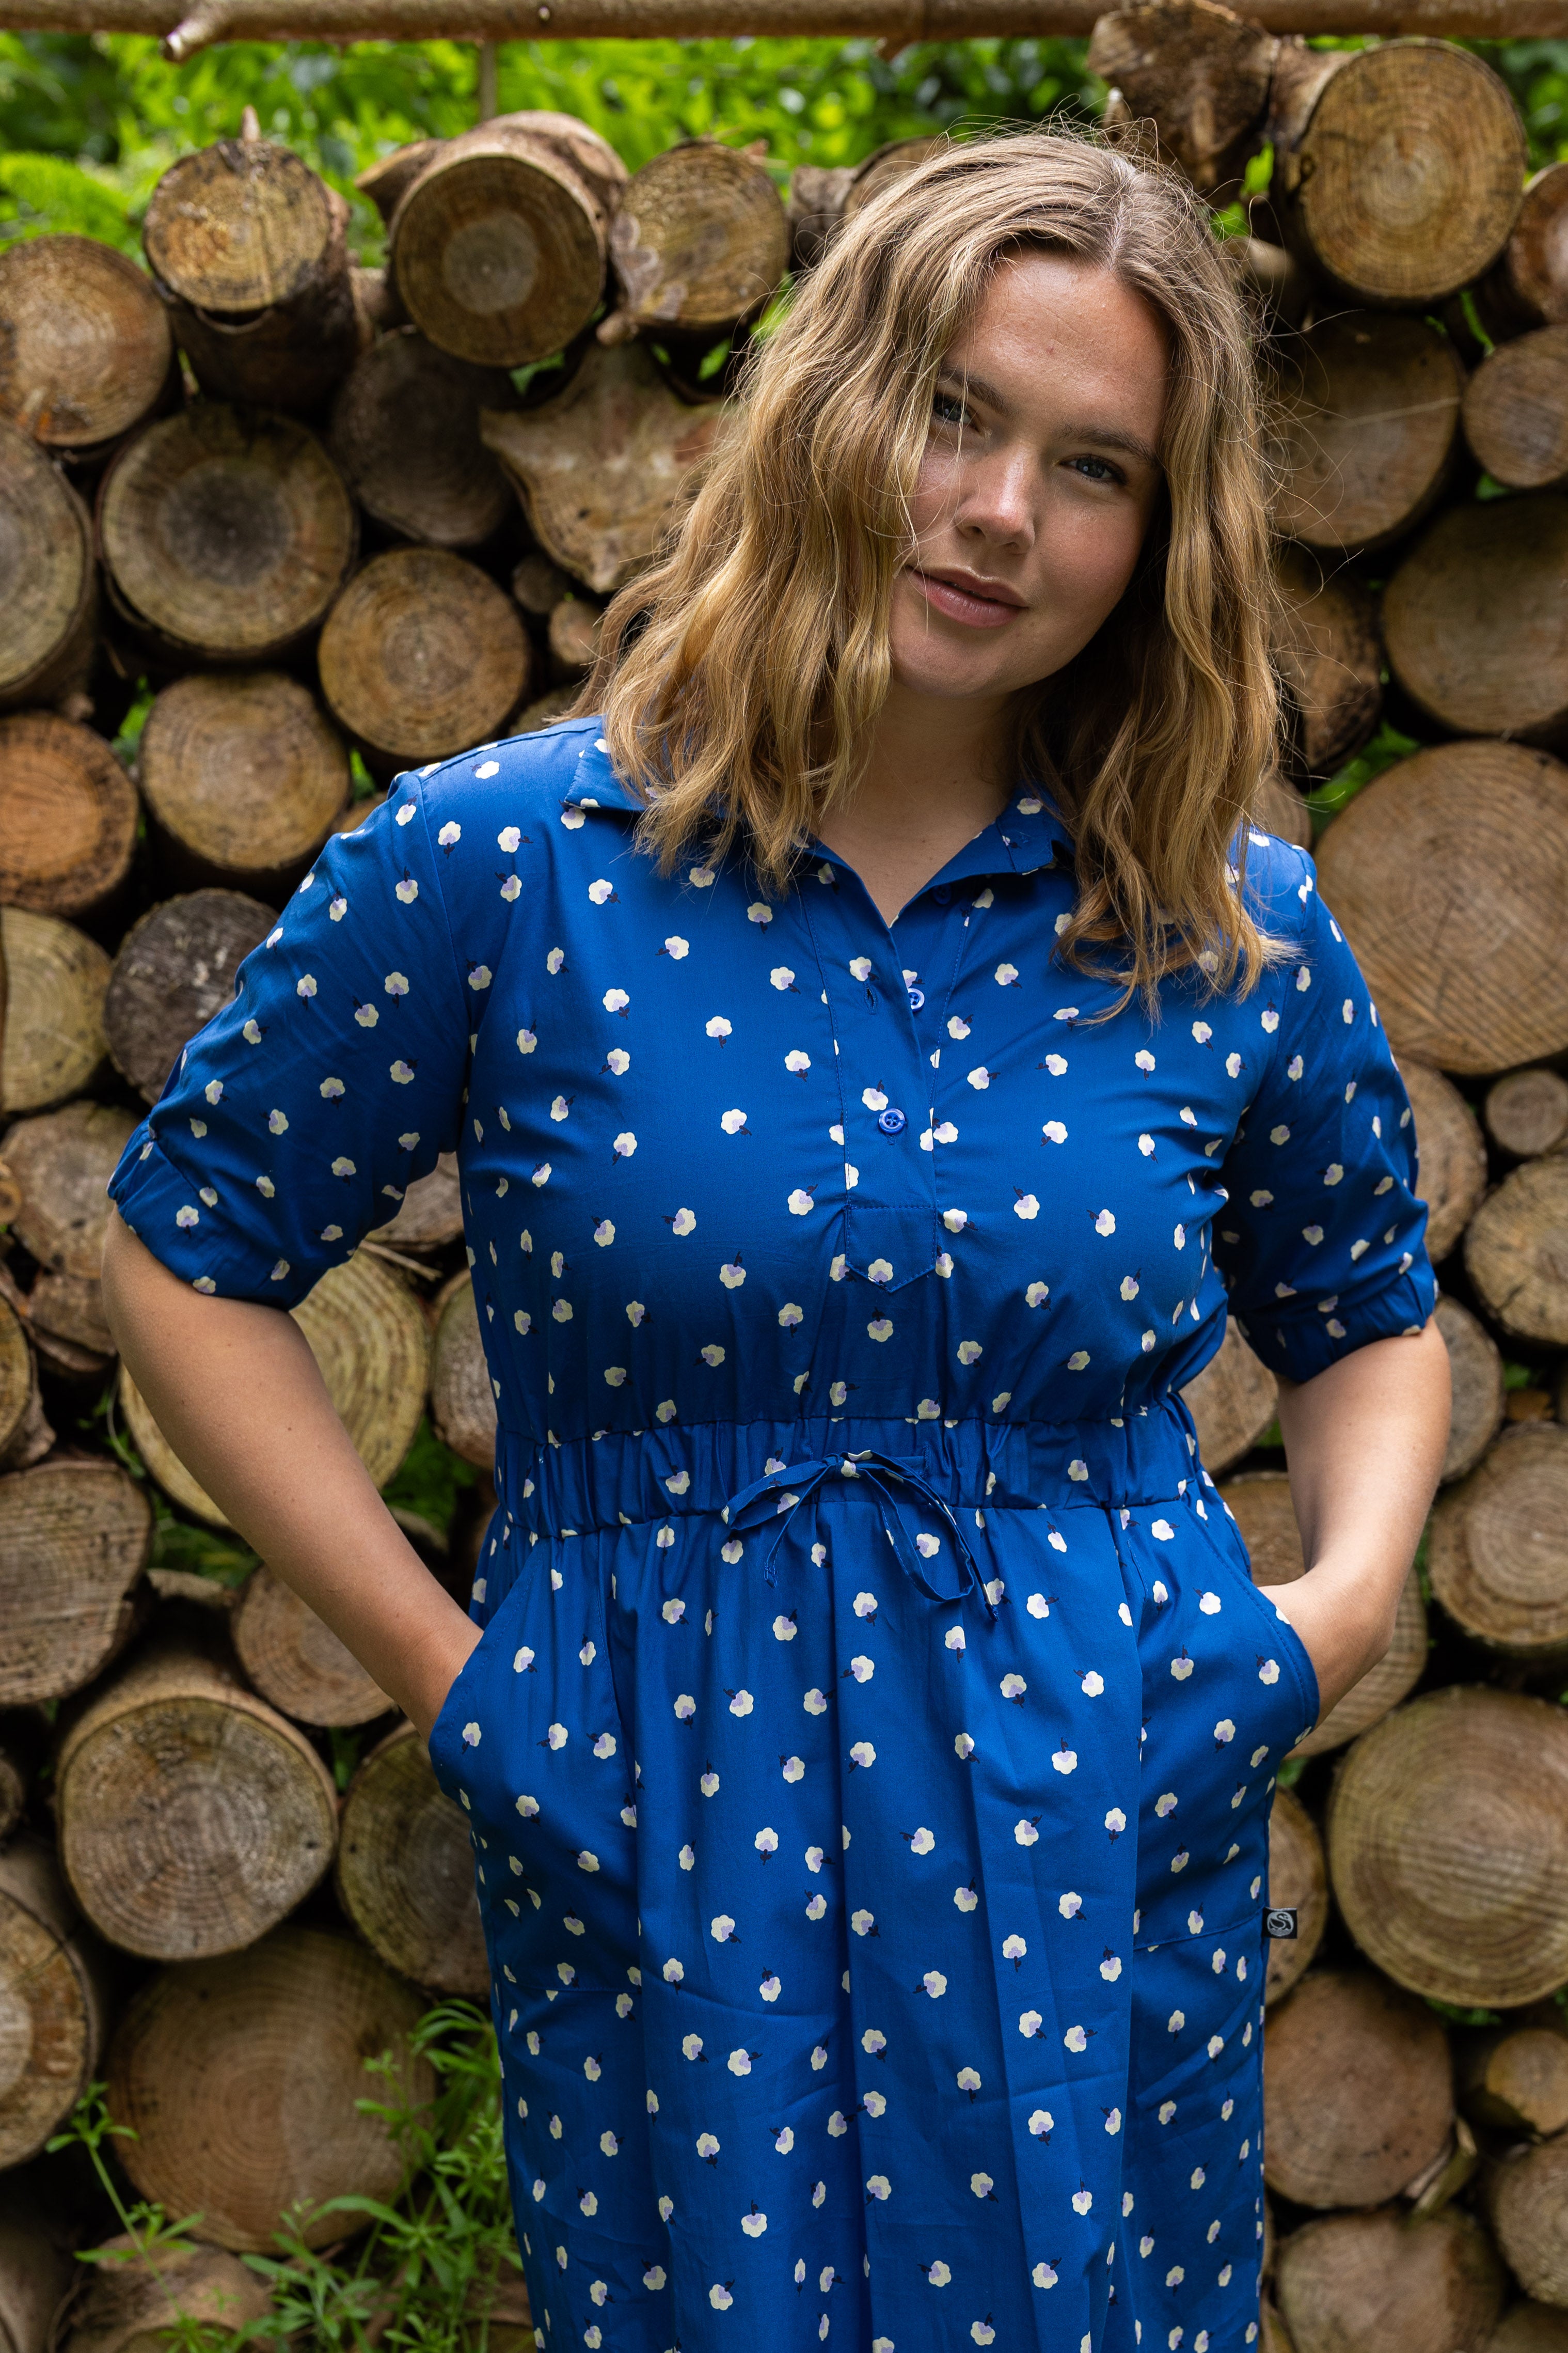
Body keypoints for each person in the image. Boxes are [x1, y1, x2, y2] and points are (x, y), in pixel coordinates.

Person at [103, 120, 1451, 2353]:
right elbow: (185, 1248)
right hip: (666, 1813)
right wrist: (463, 1684)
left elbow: (1368, 1310)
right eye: (954, 413)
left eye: (1093, 468)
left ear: (1157, 536)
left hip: (1099, 1799)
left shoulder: (1226, 921)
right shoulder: (512, 861)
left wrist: (1348, 1597)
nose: (1001, 509)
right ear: (832, 401)